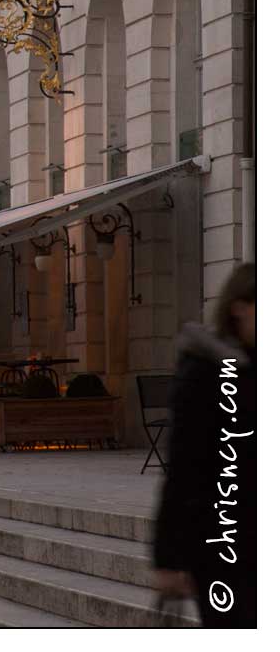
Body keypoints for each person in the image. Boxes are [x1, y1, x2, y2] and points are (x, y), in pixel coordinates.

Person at [153, 262, 255, 627]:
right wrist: (169, 556)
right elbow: (183, 469)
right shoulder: (207, 370)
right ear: (239, 307)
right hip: (223, 542)